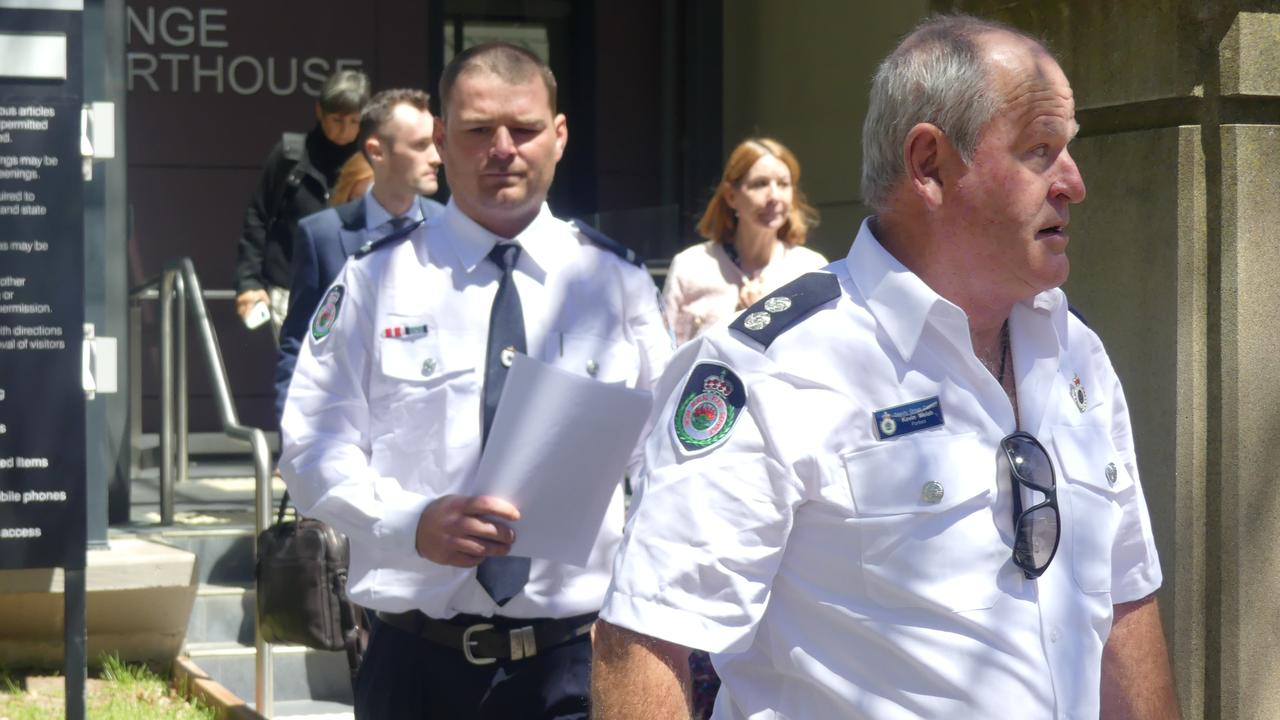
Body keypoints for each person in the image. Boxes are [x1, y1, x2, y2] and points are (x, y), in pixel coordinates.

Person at [592, 15, 1179, 720]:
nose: (1074, 183)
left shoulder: (1075, 349)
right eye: (1039, 151)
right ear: (929, 164)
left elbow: (1125, 599)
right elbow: (644, 641)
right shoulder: (772, 368)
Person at [279, 42, 673, 719]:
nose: (503, 149)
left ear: (559, 136)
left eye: (524, 129)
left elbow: (665, 464)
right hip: (416, 668)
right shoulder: (376, 279)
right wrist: (410, 523)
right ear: (440, 140)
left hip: (573, 667)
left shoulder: (618, 285)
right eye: (478, 129)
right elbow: (310, 447)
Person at [273, 89, 445, 421]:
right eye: (421, 145)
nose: (437, 157)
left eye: (437, 143)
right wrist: (291, 429)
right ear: (376, 151)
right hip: (349, 429)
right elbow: (300, 343)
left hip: (430, 429)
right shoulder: (322, 236)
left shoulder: (450, 227)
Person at [234, 69, 371, 333]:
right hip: (289, 290)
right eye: (337, 119)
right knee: (294, 358)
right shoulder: (291, 155)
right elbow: (258, 215)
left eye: (354, 121)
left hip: (353, 289)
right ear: (319, 111)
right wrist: (248, 282)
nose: (344, 130)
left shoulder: (371, 161)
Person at [664, 138, 826, 344]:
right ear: (731, 196)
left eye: (783, 184)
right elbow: (664, 354)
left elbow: (822, 348)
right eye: (760, 184)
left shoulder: (810, 269)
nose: (774, 196)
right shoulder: (691, 266)